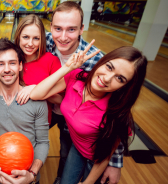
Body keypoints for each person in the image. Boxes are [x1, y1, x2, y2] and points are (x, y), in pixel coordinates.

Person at [30, 45, 147, 184]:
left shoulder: (116, 113)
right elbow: (36, 94)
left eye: (120, 79)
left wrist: (88, 182)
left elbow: (106, 155)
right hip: (77, 147)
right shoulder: (76, 77)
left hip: (96, 161)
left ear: (125, 87)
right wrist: (67, 67)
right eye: (109, 67)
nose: (107, 78)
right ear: (102, 61)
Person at [46, 2, 123, 183]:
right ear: (50, 27)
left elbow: (115, 114)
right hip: (49, 106)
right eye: (58, 28)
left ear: (81, 29)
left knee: (66, 153)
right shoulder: (43, 41)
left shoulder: (97, 62)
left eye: (71, 29)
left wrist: (115, 162)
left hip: (75, 117)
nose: (63, 37)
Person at [0, 38, 49, 184]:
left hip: (28, 179)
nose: (7, 69)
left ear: (20, 65)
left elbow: (42, 142)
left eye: (12, 63)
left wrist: (32, 174)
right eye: (1, 64)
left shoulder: (37, 100)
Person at [13, 14, 62, 124]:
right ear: (18, 36)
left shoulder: (51, 61)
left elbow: (61, 99)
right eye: (25, 37)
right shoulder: (11, 59)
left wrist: (36, 89)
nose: (30, 44)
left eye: (36, 38)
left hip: (39, 124)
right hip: (13, 120)